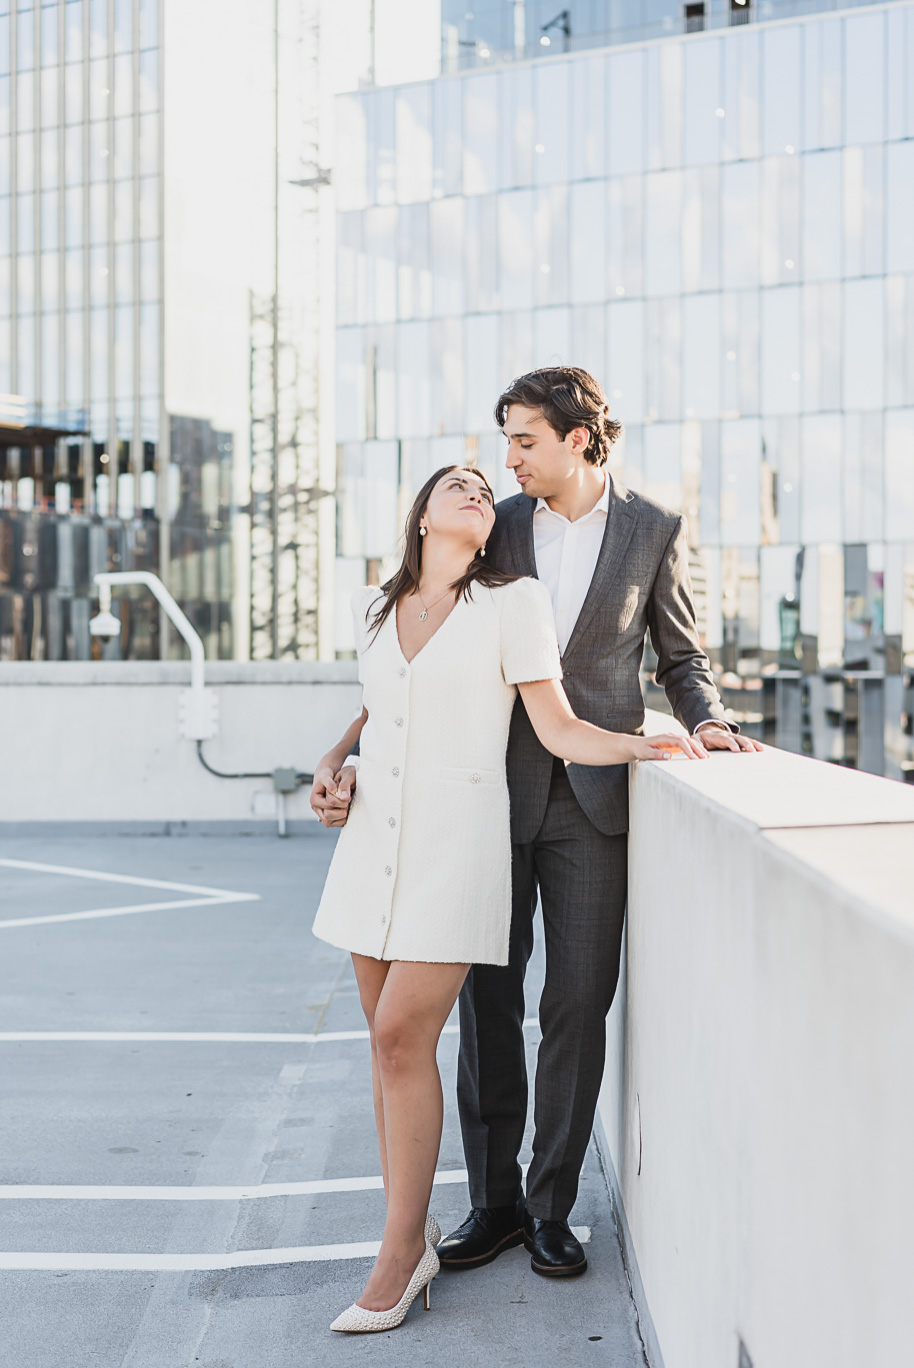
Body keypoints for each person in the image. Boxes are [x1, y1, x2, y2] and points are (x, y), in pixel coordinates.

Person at [309, 462, 704, 1334]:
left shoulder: (512, 601)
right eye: (460, 483)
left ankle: (402, 1253)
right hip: (375, 838)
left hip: (461, 840)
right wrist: (331, 762)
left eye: (490, 490)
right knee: (390, 1053)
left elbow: (557, 723)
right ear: (421, 516)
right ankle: (417, 1228)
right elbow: (383, 705)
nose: (481, 491)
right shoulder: (375, 606)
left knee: (402, 1035)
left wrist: (649, 747)